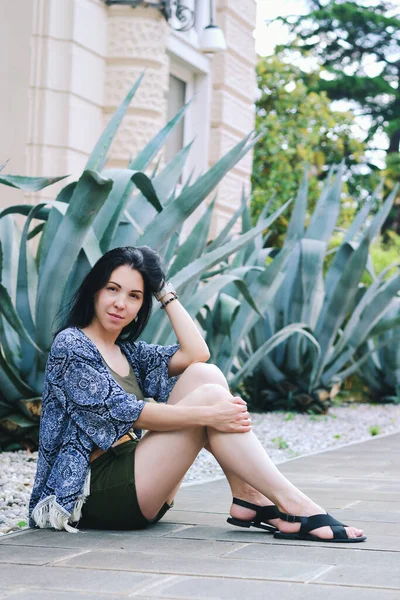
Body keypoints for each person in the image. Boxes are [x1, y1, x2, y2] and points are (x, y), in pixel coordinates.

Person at [29, 246, 366, 543]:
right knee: (208, 399)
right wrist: (209, 415)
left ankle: (247, 496)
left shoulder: (128, 352)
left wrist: (163, 290)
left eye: (134, 295)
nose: (121, 303)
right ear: (94, 291)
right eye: (112, 289)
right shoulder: (71, 345)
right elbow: (132, 412)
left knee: (206, 375)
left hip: (139, 480)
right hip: (95, 495)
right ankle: (294, 503)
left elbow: (196, 352)